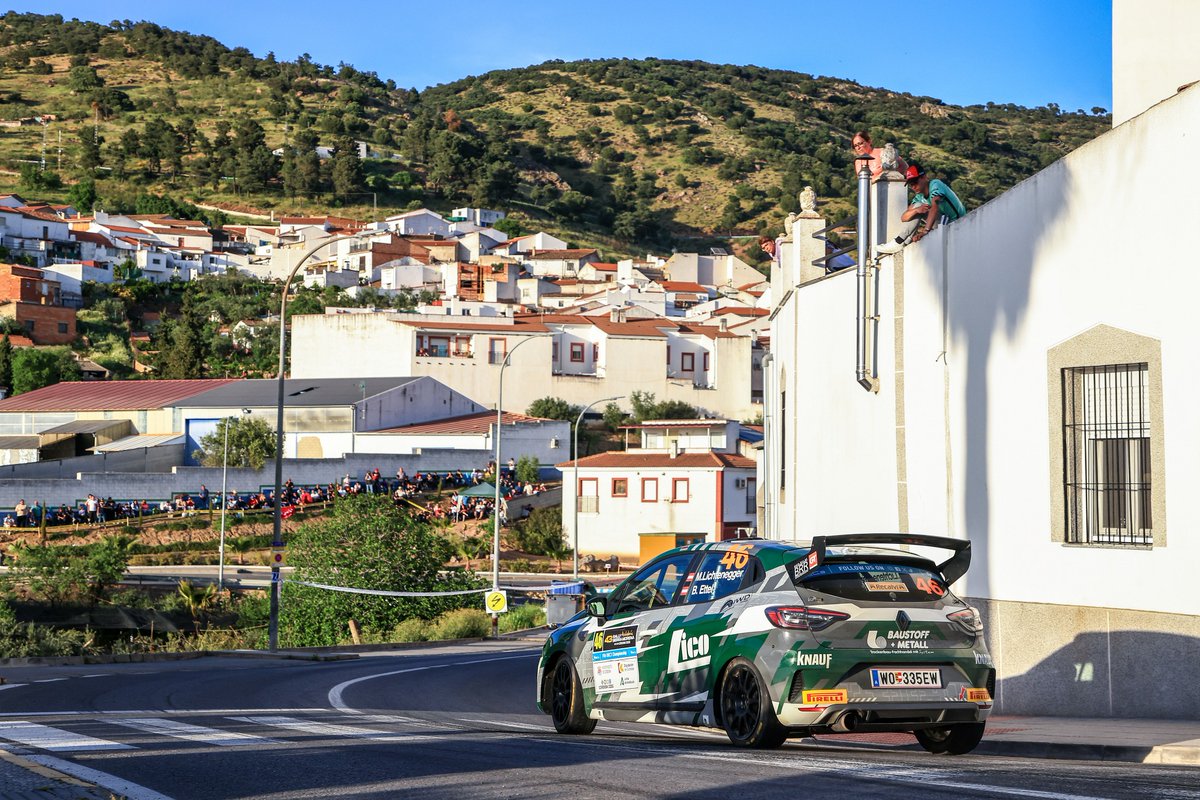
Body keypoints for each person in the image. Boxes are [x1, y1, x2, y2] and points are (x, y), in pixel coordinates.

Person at [878, 163, 967, 253]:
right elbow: (904, 217)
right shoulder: (919, 196)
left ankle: (899, 242)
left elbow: (934, 206)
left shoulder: (935, 184)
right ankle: (904, 242)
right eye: (911, 184)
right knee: (916, 208)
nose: (913, 187)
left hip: (956, 222)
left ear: (924, 177)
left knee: (919, 206)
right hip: (943, 223)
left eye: (915, 182)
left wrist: (925, 231)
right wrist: (917, 210)